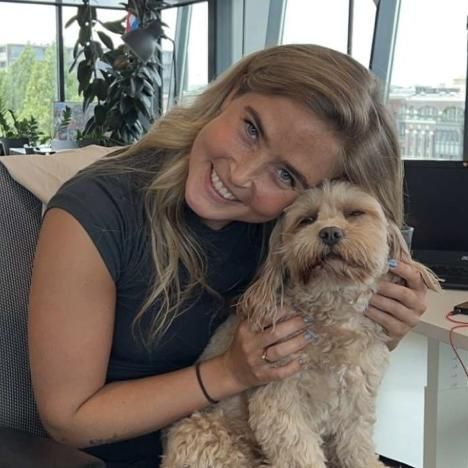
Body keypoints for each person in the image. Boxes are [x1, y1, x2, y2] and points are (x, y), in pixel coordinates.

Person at [28, 44, 429, 467]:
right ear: (231, 94)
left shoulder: (286, 228)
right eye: (251, 130)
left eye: (285, 175)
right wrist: (230, 372)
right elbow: (68, 420)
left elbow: (322, 366)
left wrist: (382, 323)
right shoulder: (95, 212)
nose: (240, 175)